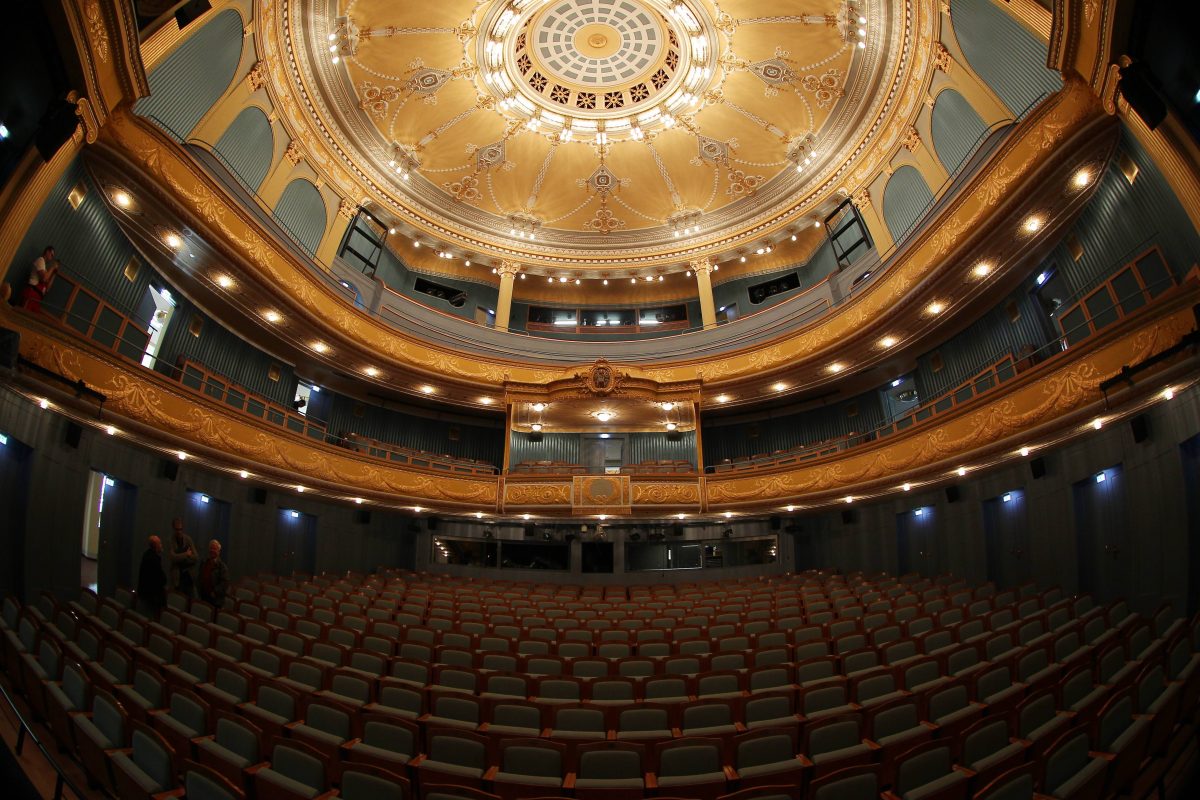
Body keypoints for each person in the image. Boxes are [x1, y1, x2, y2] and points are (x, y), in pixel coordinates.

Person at [20, 246, 58, 312]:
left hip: (37, 297)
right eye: (51, 255)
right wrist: (52, 268)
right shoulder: (40, 260)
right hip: (31, 292)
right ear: (47, 252)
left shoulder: (45, 268)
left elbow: (48, 288)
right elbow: (44, 277)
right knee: (23, 314)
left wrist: (54, 273)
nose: (51, 258)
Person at [136, 535, 166, 616]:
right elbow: (160, 579)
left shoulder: (146, 554)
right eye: (160, 543)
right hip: (152, 597)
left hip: (145, 593)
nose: (161, 545)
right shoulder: (154, 559)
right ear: (156, 546)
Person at [168, 517, 198, 597]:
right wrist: (186, 554)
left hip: (188, 575)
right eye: (177, 529)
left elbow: (195, 557)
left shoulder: (188, 539)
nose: (179, 531)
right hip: (177, 576)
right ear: (173, 529)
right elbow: (172, 557)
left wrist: (180, 557)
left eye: (180, 529)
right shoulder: (171, 540)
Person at [198, 539, 230, 608]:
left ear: (219, 551)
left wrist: (215, 592)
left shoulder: (222, 567)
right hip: (203, 596)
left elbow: (224, 583)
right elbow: (200, 577)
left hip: (215, 600)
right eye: (211, 548)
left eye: (214, 549)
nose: (212, 550)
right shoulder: (204, 562)